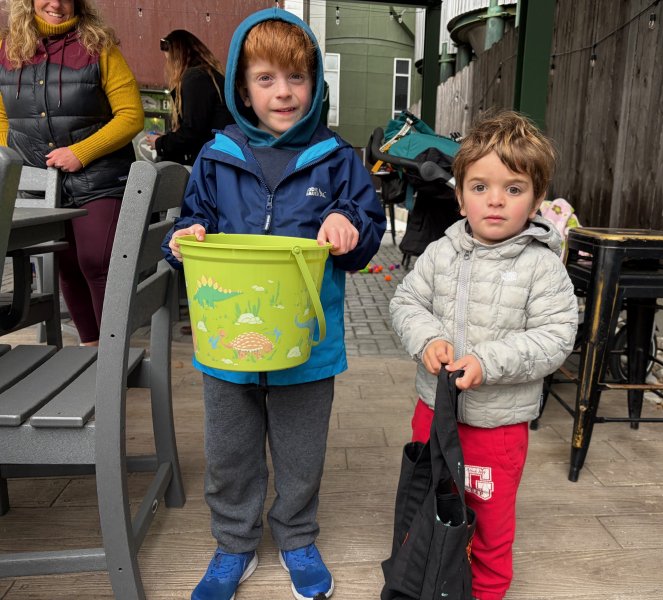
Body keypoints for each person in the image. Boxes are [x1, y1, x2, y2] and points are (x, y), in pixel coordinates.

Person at [162, 8, 385, 600]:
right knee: (229, 451)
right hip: (226, 341)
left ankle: (296, 535)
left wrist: (349, 223)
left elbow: (367, 229)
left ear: (316, 84)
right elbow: (194, 222)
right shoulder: (216, 155)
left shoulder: (338, 158)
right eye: (265, 78)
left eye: (296, 78)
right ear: (242, 85)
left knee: (301, 450)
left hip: (307, 341)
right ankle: (233, 543)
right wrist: (182, 240)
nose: (282, 92)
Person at [390, 110, 579, 600]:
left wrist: (488, 362)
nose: (495, 200)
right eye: (480, 187)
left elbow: (557, 337)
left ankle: (488, 592)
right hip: (433, 413)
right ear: (459, 196)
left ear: (537, 199)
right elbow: (406, 301)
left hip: (496, 429)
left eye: (513, 189)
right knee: (426, 504)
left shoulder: (542, 267)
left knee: (489, 525)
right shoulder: (441, 252)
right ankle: (423, 578)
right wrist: (428, 338)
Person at [0, 0, 144, 346]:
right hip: (40, 183)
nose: (57, 3)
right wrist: (19, 161)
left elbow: (131, 115)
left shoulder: (100, 46)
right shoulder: (8, 49)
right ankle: (91, 349)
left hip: (100, 177)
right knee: (65, 264)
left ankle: (114, 355)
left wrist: (81, 152)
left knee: (97, 261)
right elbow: (2, 117)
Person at [144, 29, 233, 165]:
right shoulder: (206, 74)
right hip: (218, 156)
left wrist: (160, 143)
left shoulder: (196, 77)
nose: (169, 66)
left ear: (177, 57)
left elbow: (193, 131)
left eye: (169, 60)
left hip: (212, 160)